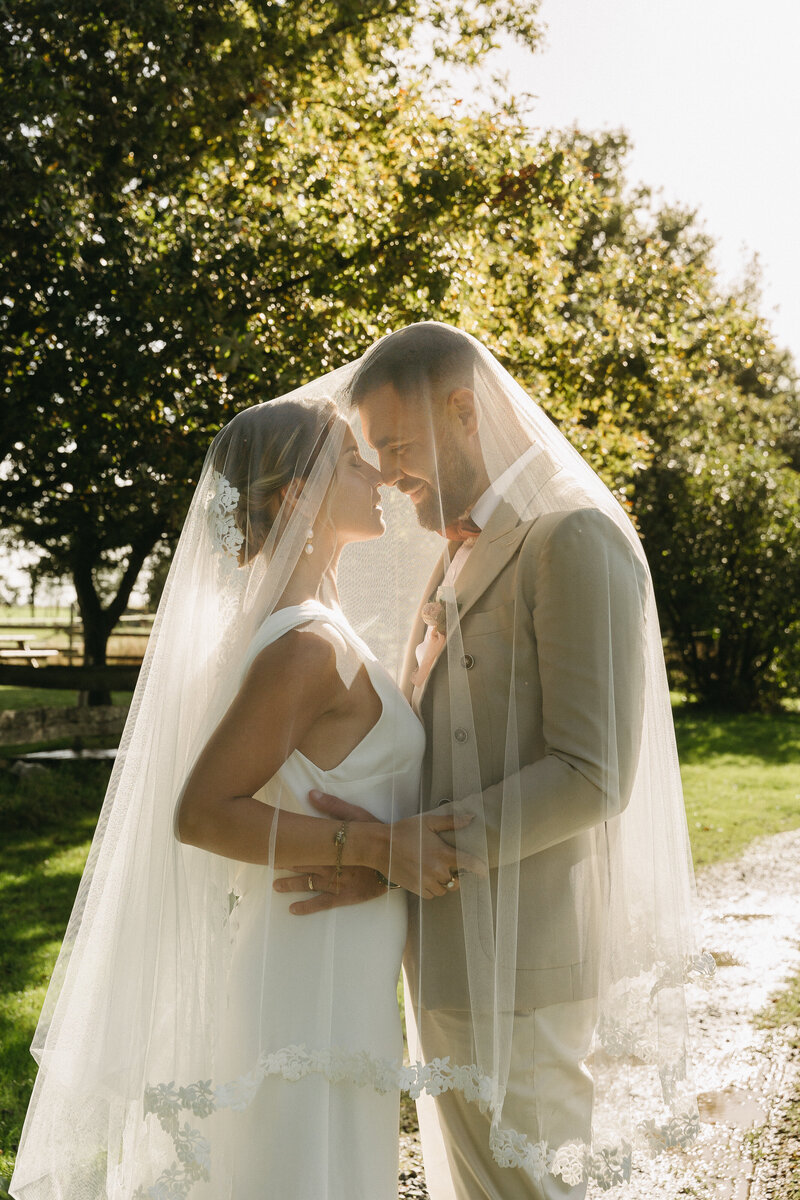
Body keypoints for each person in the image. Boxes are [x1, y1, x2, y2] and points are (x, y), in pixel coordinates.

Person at [9, 395, 483, 1200]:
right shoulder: (306, 642)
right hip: (309, 967)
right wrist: (374, 847)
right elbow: (202, 811)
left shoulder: (308, 623)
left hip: (333, 956)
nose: (375, 472)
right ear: (298, 494)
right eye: (351, 462)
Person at [282, 323, 713, 1199]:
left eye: (398, 447)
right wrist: (385, 857)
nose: (392, 477)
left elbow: (592, 771)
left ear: (464, 411)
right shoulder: (461, 544)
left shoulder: (571, 536)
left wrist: (418, 848)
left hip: (525, 958)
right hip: (443, 944)